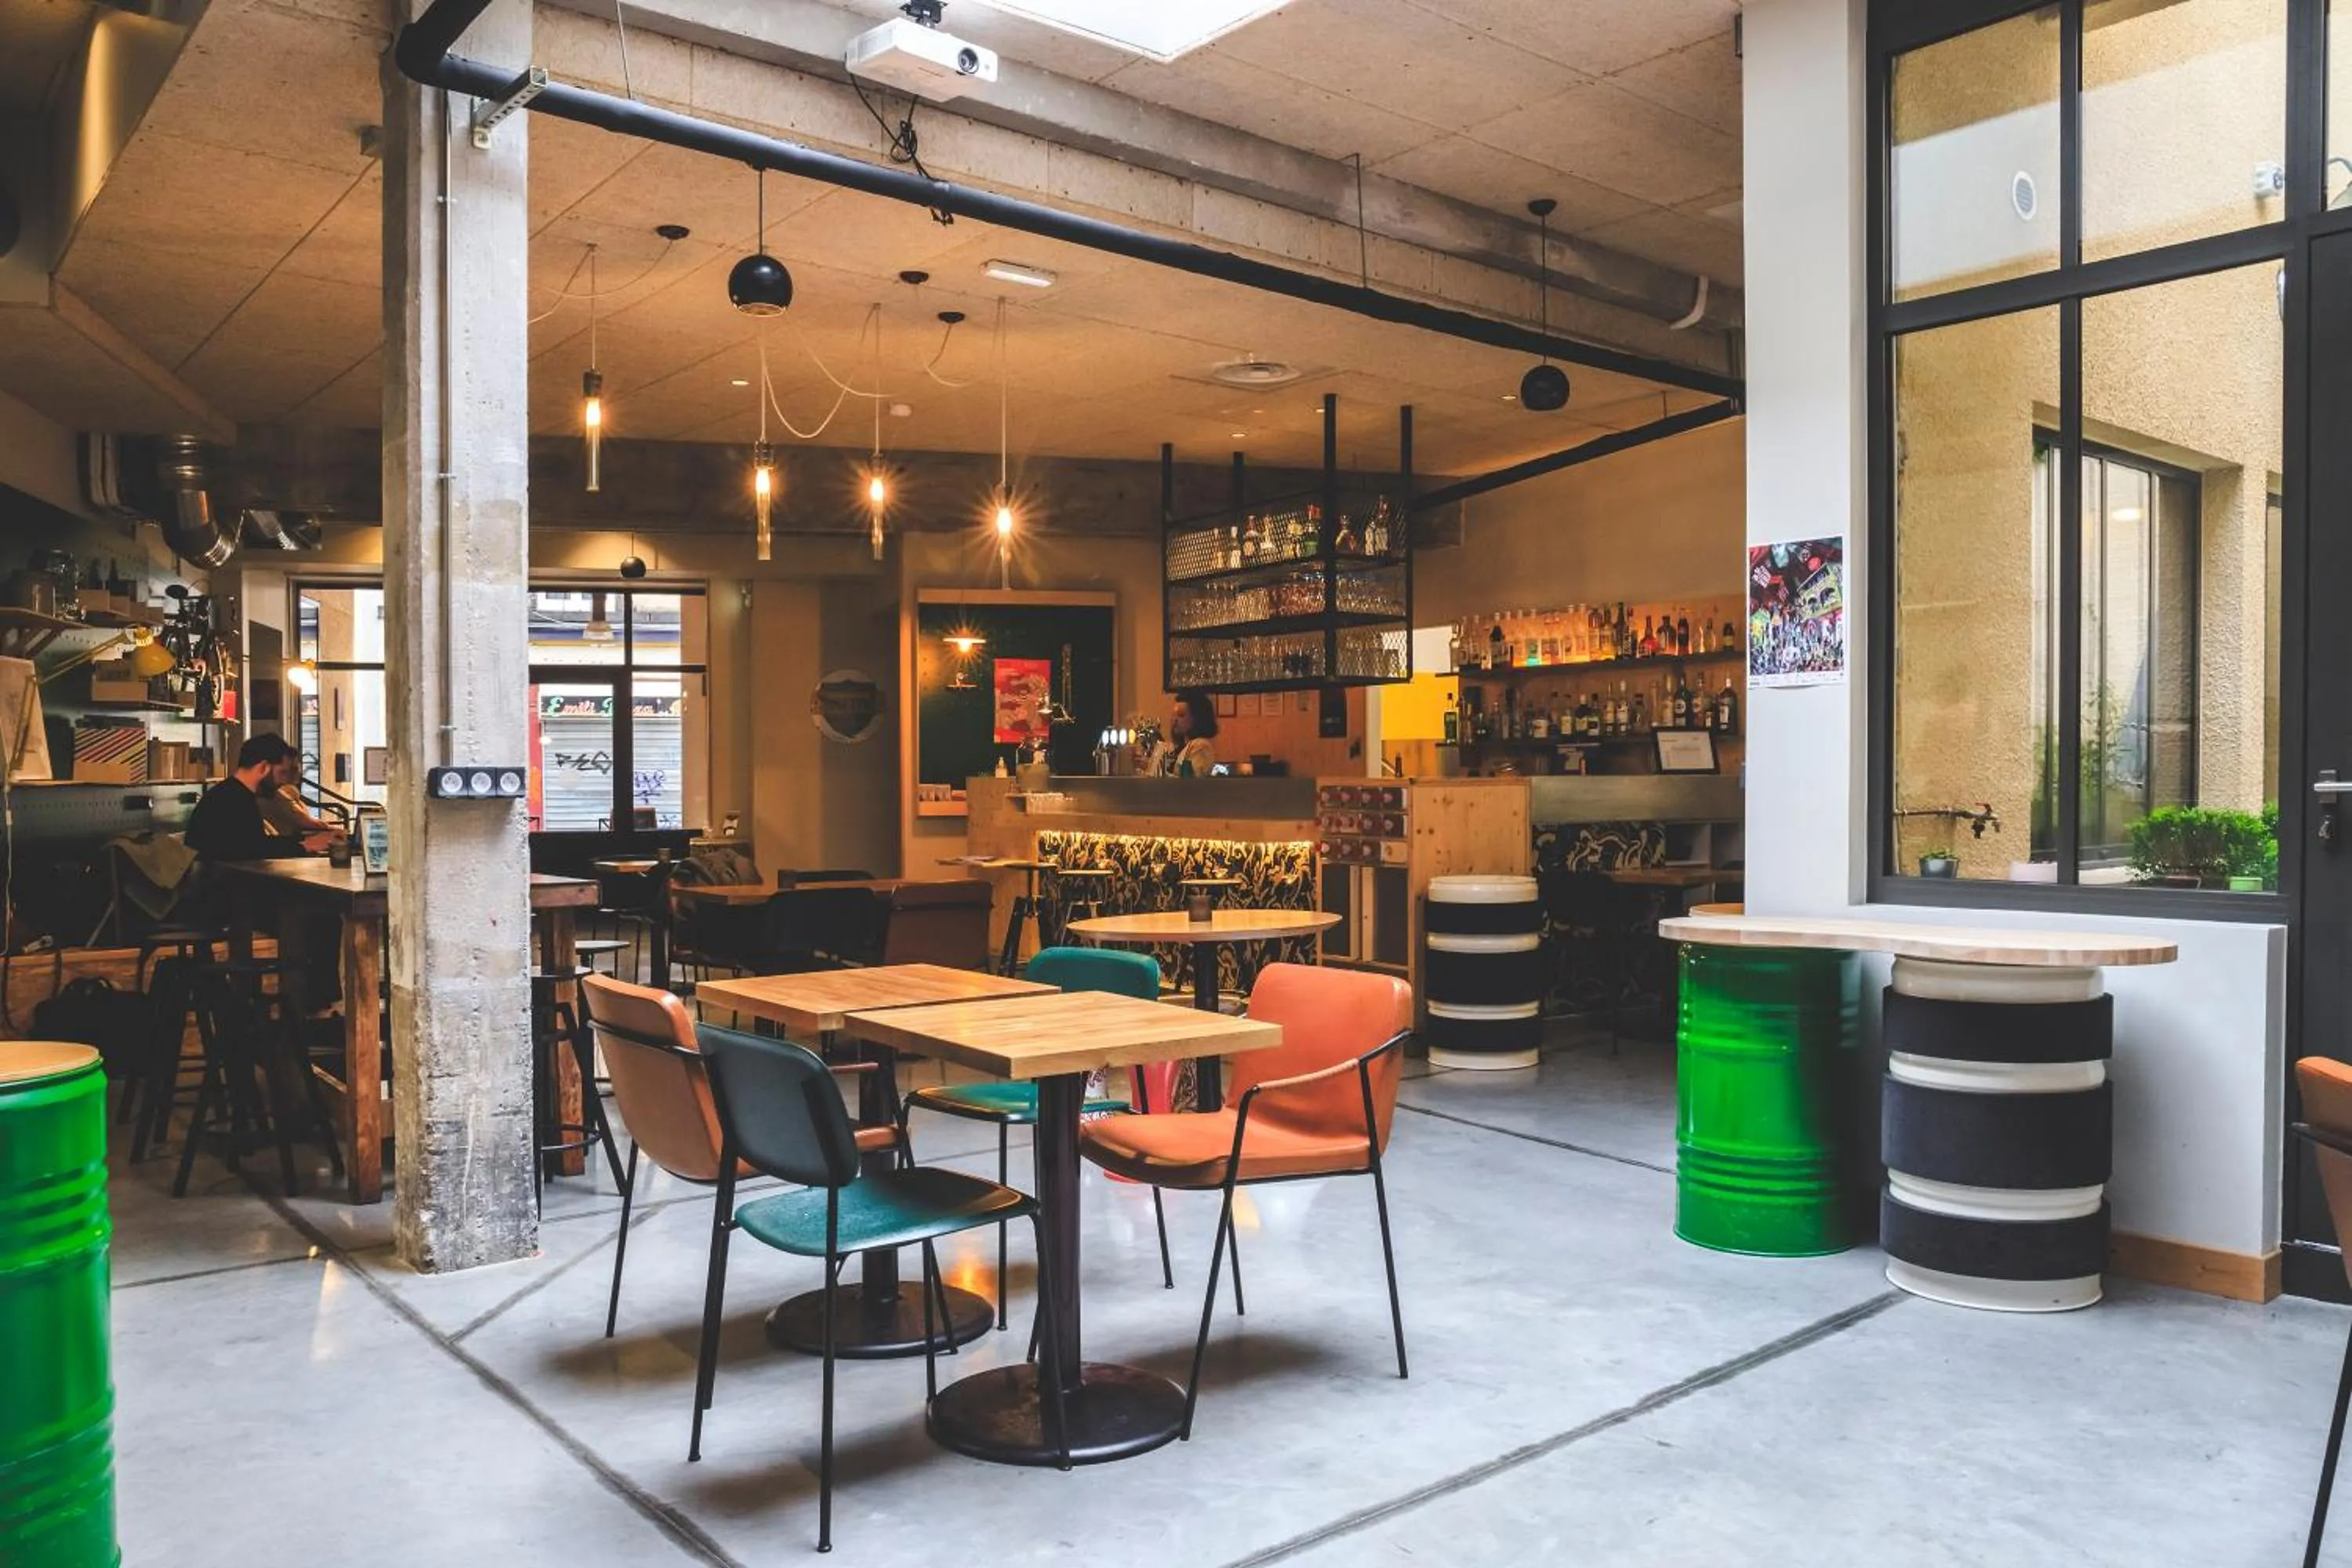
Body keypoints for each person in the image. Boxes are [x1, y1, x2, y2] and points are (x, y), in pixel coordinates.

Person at [186, 735, 333, 860]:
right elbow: (251, 851)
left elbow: (254, 843)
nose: (284, 782)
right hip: (220, 890)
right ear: (263, 767)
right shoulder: (233, 800)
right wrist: (305, 846)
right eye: (281, 772)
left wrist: (306, 841)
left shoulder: (232, 793)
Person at [256, 746, 344, 846]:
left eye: (296, 768)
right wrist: (339, 831)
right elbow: (305, 821)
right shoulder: (275, 795)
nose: (296, 773)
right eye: (285, 770)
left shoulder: (286, 791)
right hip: (289, 846)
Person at [1146, 688, 1219, 778]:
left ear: (1197, 718)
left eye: (1181, 715)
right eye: (1174, 715)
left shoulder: (1201, 746)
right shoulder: (1179, 747)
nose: (1175, 720)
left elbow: (1192, 782)